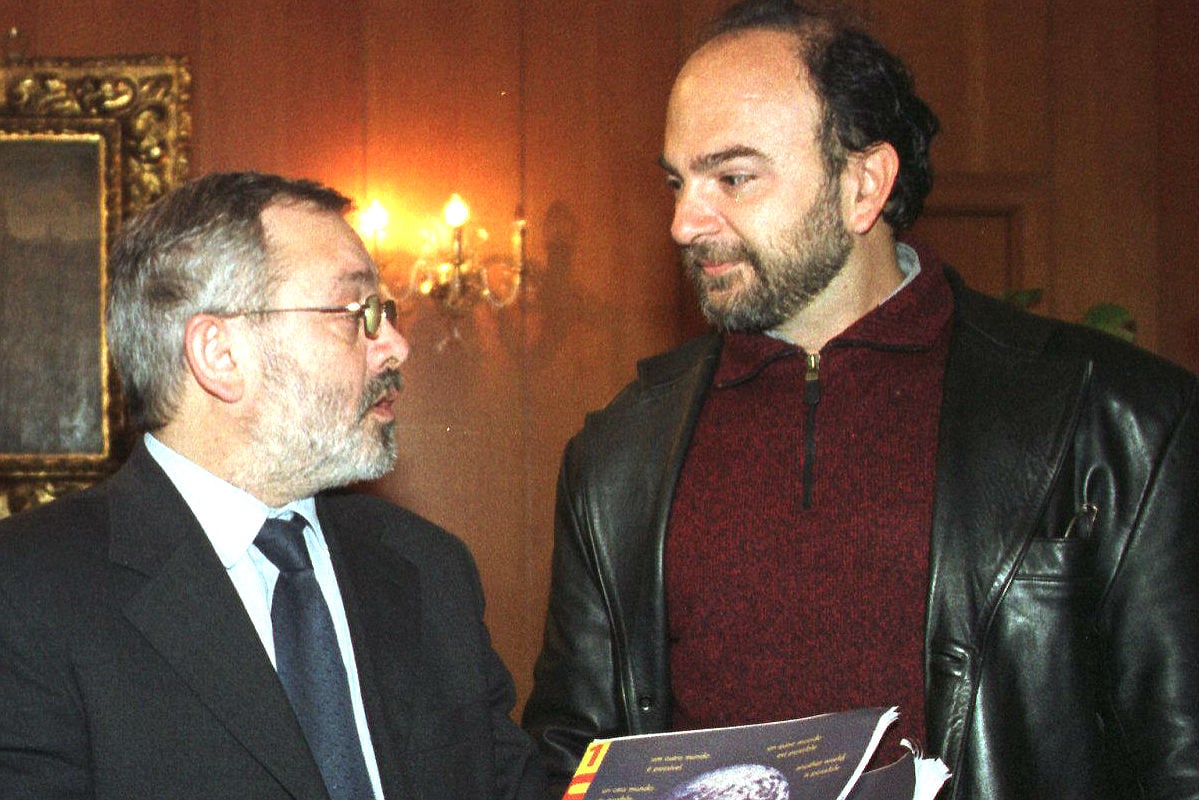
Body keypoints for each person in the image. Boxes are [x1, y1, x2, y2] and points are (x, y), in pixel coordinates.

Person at [521, 2, 1199, 799]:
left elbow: (1178, 757)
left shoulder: (1111, 417)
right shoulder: (618, 455)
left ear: (863, 183)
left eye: (731, 178)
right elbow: (572, 749)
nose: (682, 222)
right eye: (678, 182)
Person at [0, 171, 545, 800]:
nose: (394, 345)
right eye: (355, 311)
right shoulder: (28, 593)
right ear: (221, 355)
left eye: (386, 312)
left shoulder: (429, 568)